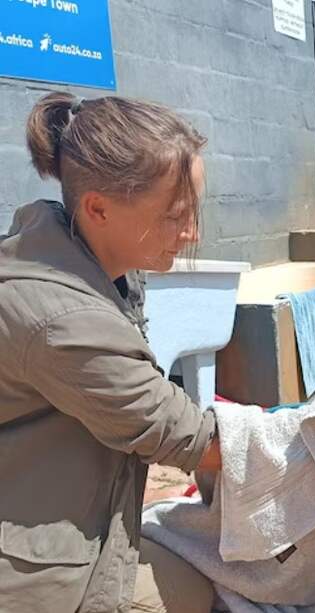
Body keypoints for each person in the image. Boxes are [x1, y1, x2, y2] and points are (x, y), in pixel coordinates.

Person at [0, 92, 220, 612]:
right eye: (174, 217)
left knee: (203, 580)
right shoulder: (64, 320)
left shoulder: (92, 264)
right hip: (33, 575)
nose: (191, 233)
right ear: (98, 207)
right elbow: (182, 434)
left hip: (65, 518)